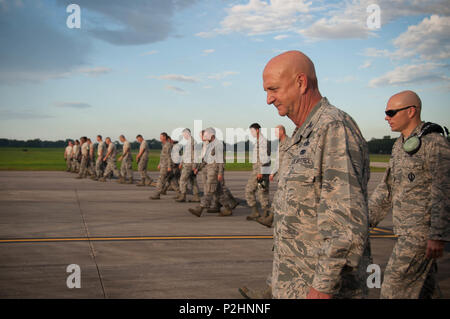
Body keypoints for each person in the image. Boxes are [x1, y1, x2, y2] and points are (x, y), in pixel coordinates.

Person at [263, 50, 371, 299]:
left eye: (274, 89)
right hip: (295, 283)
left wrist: (322, 288)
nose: (269, 99)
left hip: (321, 290)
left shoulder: (333, 128)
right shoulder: (302, 135)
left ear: (300, 83)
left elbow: (344, 224)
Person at [369, 90, 450, 299]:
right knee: (423, 292)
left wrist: (438, 235)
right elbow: (387, 189)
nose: (386, 117)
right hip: (405, 232)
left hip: (420, 236)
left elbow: (444, 189)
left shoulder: (434, 142)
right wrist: (365, 220)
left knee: (392, 291)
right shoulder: (400, 145)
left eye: (391, 112)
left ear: (411, 111)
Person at [188, 127, 234, 217]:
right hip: (210, 170)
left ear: (211, 135)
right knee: (218, 192)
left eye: (206, 135)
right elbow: (205, 160)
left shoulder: (218, 145)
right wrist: (198, 168)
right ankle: (228, 209)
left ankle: (200, 209)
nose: (205, 137)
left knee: (209, 190)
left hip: (215, 171)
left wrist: (220, 173)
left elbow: (221, 161)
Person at [257, 125, 290, 227]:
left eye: (276, 132)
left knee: (279, 197)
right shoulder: (280, 144)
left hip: (287, 175)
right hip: (281, 175)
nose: (275, 134)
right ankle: (272, 218)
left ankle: (270, 219)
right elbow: (278, 160)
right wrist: (273, 173)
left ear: (281, 132)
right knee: (280, 198)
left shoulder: (290, 143)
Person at [245, 123, 271, 221]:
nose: (251, 133)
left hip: (261, 171)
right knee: (254, 190)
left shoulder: (263, 141)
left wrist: (260, 172)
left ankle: (265, 213)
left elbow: (265, 158)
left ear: (257, 130)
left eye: (252, 131)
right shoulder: (258, 142)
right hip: (258, 171)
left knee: (261, 191)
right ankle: (256, 212)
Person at [150, 133, 179, 199]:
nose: (160, 138)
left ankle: (157, 194)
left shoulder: (168, 145)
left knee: (161, 180)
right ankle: (180, 193)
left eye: (161, 137)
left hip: (166, 166)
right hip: (164, 165)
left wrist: (169, 166)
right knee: (172, 180)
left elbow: (169, 156)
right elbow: (163, 156)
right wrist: (160, 164)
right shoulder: (165, 145)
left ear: (165, 137)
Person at [176, 128, 200, 203]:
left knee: (182, 180)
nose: (184, 136)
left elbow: (196, 155)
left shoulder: (193, 142)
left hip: (189, 164)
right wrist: (181, 163)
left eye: (184, 135)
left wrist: (194, 166)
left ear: (187, 133)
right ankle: (196, 196)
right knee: (192, 181)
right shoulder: (188, 142)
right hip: (187, 163)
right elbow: (185, 154)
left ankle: (183, 195)